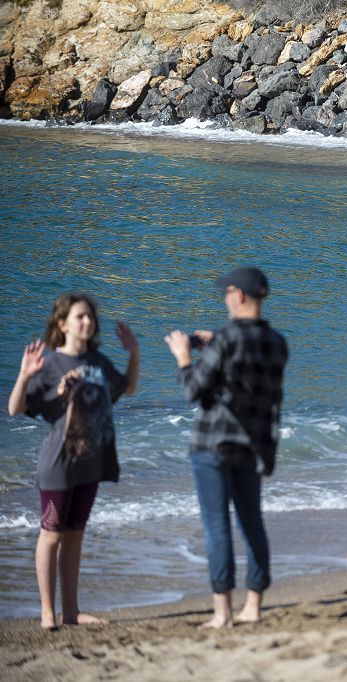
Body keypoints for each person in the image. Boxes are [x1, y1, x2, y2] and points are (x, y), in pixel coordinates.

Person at [164, 267, 288, 629]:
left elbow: (193, 390)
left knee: (216, 525)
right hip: (253, 446)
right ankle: (254, 606)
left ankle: (222, 614)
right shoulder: (278, 343)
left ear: (241, 296)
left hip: (212, 443)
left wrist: (184, 355)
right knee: (252, 522)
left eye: (227, 292)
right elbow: (249, 364)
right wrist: (215, 341)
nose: (224, 298)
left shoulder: (227, 340)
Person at [7, 292, 139, 629]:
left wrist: (134, 352)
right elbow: (15, 408)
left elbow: (128, 388)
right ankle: (48, 613)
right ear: (62, 323)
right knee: (50, 535)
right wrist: (24, 376)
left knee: (75, 536)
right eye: (80, 316)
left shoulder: (99, 362)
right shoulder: (50, 363)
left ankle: (71, 611)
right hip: (59, 464)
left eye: (90, 317)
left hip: (91, 462)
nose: (87, 322)